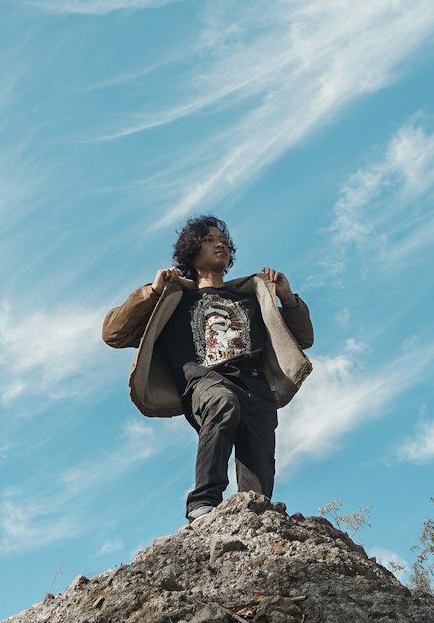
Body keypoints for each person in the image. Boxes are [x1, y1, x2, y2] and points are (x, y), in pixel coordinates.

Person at [102, 215, 314, 522]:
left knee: (256, 496)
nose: (221, 243)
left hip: (256, 389)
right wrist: (152, 292)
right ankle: (203, 504)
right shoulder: (175, 299)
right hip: (204, 382)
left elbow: (304, 338)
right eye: (211, 239)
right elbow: (113, 334)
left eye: (224, 240)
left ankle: (250, 525)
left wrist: (287, 298)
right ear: (191, 249)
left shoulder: (251, 296)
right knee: (222, 402)